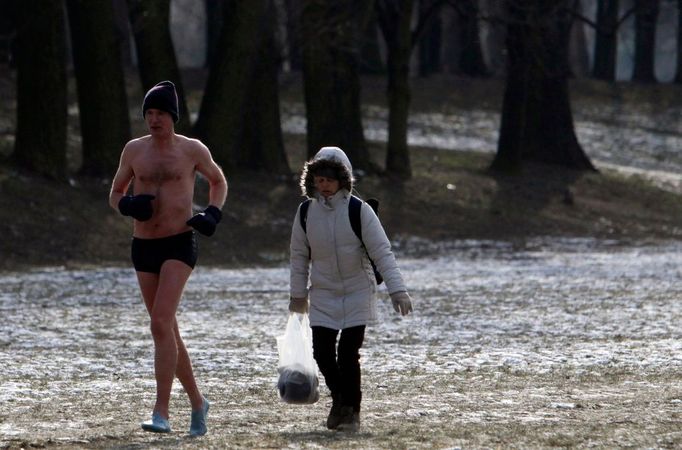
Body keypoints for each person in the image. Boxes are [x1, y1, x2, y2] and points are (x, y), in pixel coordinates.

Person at [108, 80, 228, 436]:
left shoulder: (192, 150)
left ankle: (161, 411)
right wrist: (127, 204)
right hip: (144, 245)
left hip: (179, 242)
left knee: (159, 323)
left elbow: (219, 182)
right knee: (168, 330)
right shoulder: (133, 150)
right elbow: (115, 192)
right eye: (149, 113)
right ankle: (197, 402)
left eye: (160, 113)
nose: (154, 119)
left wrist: (212, 214)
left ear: (172, 116)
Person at [288, 146, 413, 432]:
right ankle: (340, 399)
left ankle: (351, 411)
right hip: (323, 292)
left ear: (343, 180)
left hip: (358, 290)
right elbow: (298, 256)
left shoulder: (360, 211)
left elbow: (382, 252)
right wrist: (298, 295)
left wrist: (398, 291)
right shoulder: (305, 212)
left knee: (347, 353)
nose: (324, 186)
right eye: (319, 180)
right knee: (322, 352)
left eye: (329, 180)